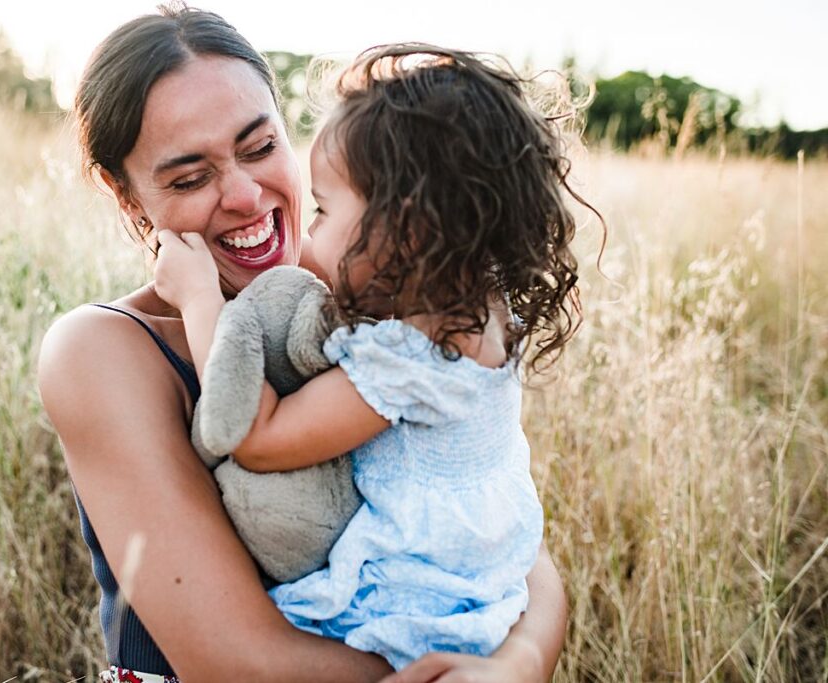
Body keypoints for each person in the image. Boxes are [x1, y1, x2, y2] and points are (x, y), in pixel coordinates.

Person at [37, 5, 568, 682]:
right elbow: (241, 663)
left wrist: (513, 665)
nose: (244, 195)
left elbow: (508, 547)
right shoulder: (104, 351)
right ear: (128, 197)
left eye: (260, 148)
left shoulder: (386, 303)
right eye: (190, 177)